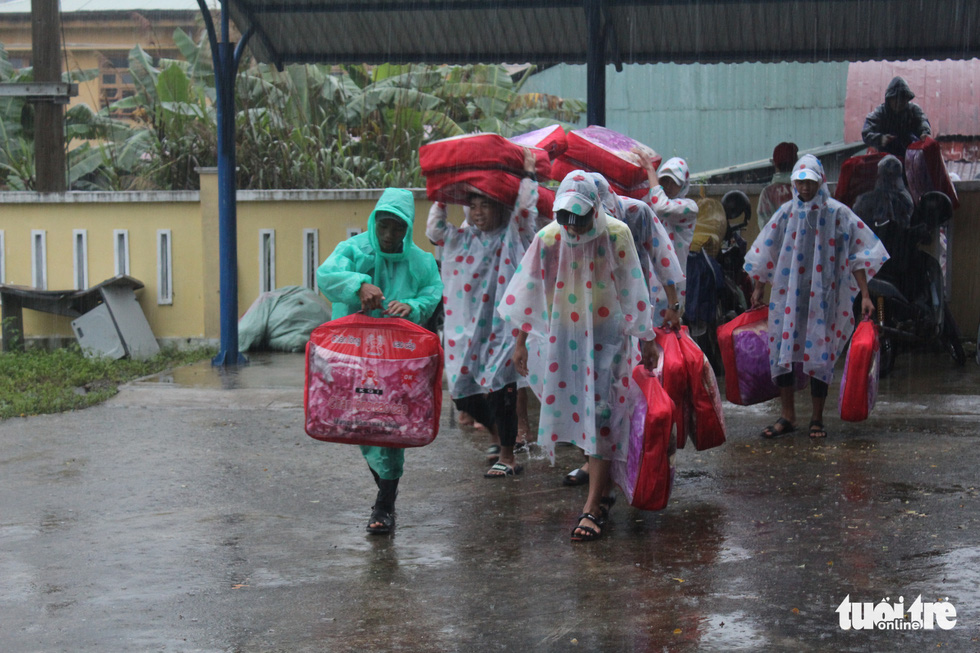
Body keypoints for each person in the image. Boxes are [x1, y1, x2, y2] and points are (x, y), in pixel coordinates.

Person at [499, 171, 659, 542]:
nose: (572, 226)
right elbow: (529, 289)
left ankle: (591, 506)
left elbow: (634, 287)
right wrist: (520, 341)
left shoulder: (616, 234)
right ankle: (603, 492)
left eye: (579, 217)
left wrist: (647, 338)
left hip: (608, 341)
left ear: (595, 210)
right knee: (579, 414)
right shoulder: (549, 238)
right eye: (564, 217)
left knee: (601, 415)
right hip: (566, 341)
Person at [317, 188, 443, 534]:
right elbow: (326, 275)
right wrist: (358, 285)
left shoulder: (420, 261)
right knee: (362, 425)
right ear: (374, 222)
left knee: (391, 429)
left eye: (398, 228)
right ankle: (384, 494)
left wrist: (413, 307)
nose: (390, 235)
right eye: (384, 226)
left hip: (398, 362)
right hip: (355, 356)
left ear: (408, 228)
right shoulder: (354, 250)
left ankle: (384, 505)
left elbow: (432, 290)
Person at [744, 155, 889, 440]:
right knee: (784, 351)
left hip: (824, 297)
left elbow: (858, 254)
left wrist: (865, 295)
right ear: (795, 182)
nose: (805, 188)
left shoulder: (837, 214)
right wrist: (759, 287)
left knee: (819, 355)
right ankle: (788, 415)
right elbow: (766, 251)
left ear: (819, 180)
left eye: (810, 181)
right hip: (788, 295)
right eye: (801, 182)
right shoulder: (786, 213)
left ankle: (817, 418)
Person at [559, 172, 685, 488]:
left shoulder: (636, 213)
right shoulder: (575, 220)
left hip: (634, 308)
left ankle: (639, 451)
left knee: (630, 386)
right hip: (590, 312)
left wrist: (673, 304)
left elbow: (662, 255)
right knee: (588, 388)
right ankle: (593, 462)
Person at [425, 147, 544, 477]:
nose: (478, 212)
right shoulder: (461, 239)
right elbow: (434, 231)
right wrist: (441, 195)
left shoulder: (512, 234)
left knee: (503, 391)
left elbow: (524, 210)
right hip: (466, 332)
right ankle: (496, 437)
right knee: (463, 395)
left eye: (485, 205)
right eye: (473, 206)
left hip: (504, 329)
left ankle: (508, 456)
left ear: (499, 207)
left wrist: (529, 173)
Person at [861, 76, 932, 160]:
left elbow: (922, 121)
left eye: (903, 99)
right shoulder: (880, 112)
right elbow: (866, 132)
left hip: (912, 158)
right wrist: (880, 139)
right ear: (889, 99)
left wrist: (924, 133)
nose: (899, 103)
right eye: (896, 99)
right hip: (887, 160)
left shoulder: (914, 110)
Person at [757, 142, 799, 231]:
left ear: (776, 165)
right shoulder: (805, 189)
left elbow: (765, 228)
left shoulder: (768, 193)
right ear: (796, 163)